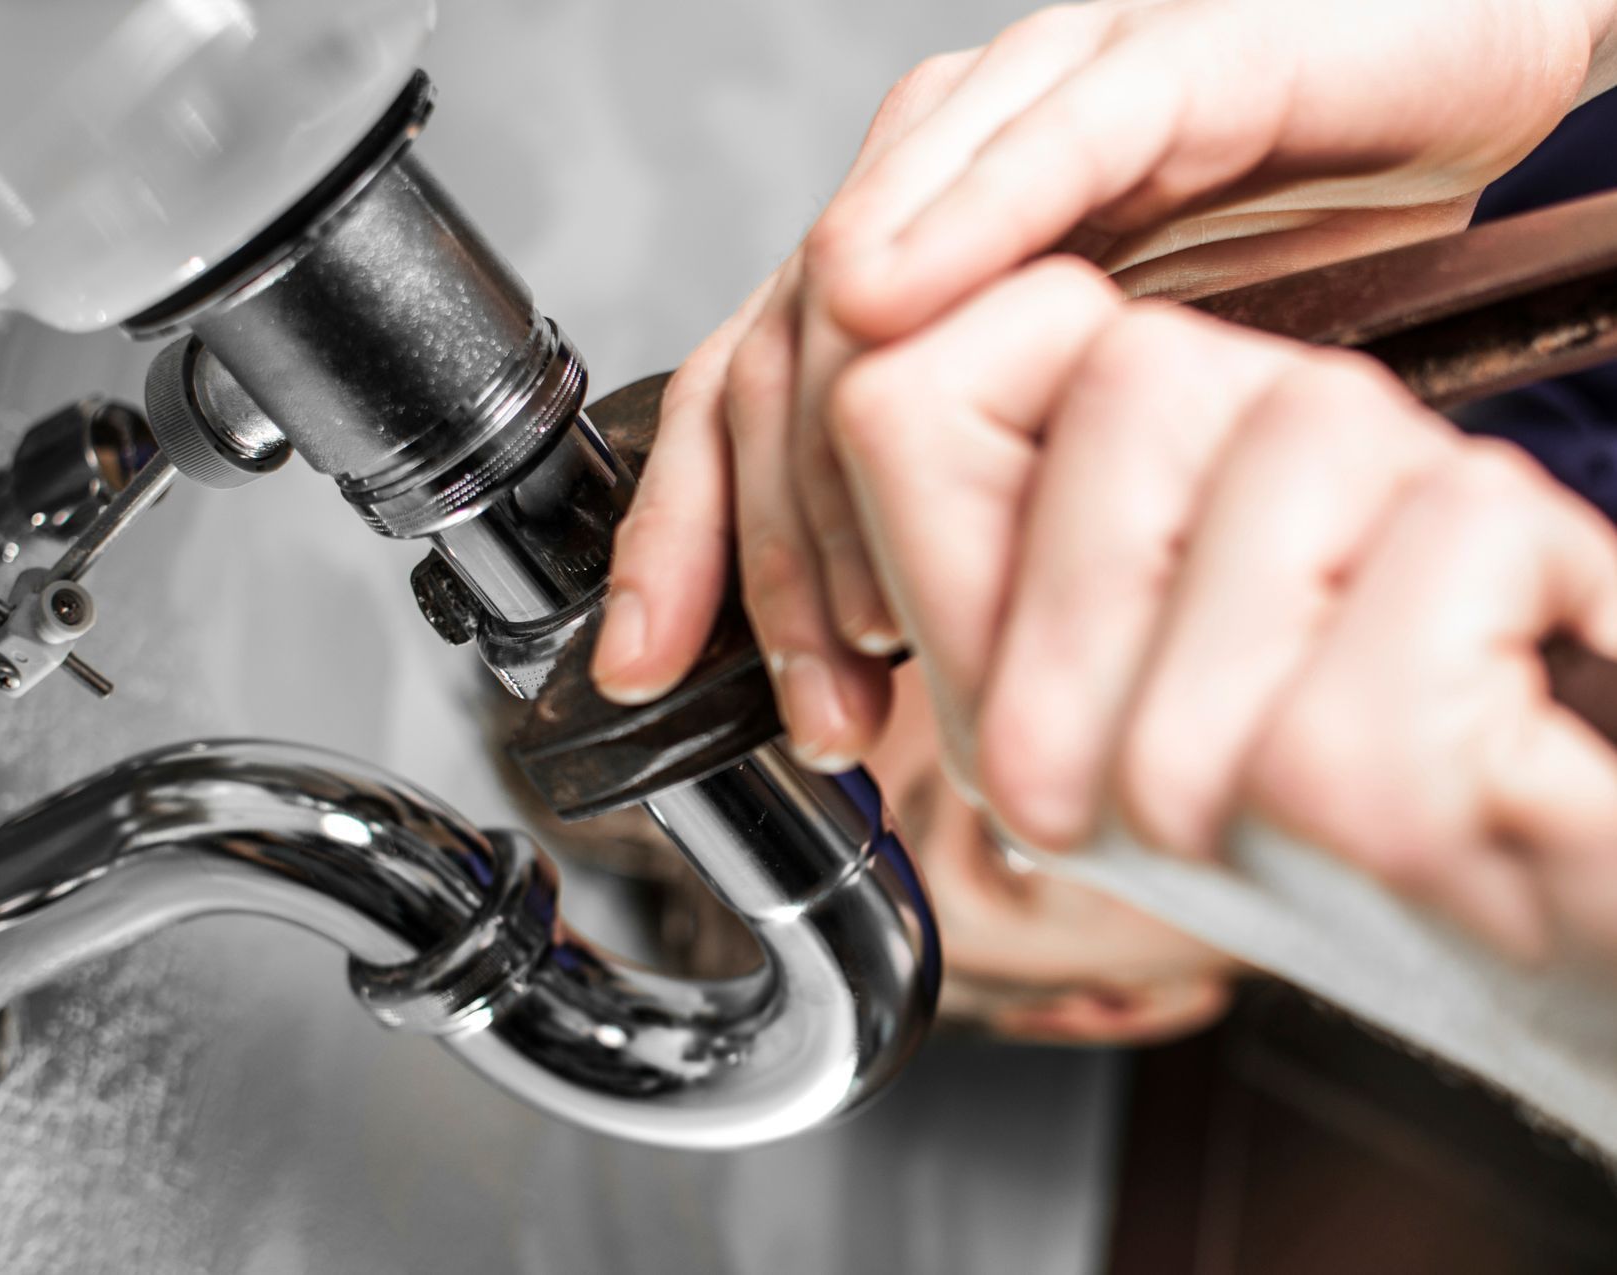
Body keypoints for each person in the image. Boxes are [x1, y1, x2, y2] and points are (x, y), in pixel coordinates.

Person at [589, 0, 1617, 1028]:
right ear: (1118, 1003)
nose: (1172, 621)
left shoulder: (1484, 189)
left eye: (1030, 548)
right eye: (1011, 829)